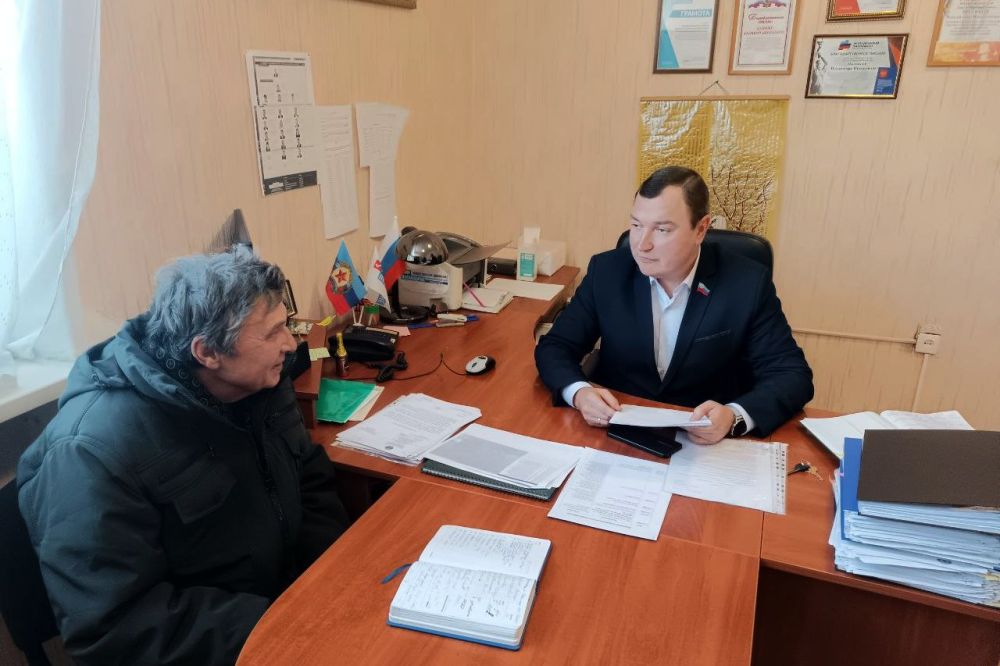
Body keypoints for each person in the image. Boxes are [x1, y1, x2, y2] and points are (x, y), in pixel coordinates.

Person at [17, 247, 350, 665]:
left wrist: (330, 581)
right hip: (230, 645)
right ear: (207, 352)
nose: (290, 344)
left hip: (295, 610)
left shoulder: (256, 383)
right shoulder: (90, 451)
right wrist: (281, 627)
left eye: (286, 325)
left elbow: (307, 473)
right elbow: (115, 628)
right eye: (271, 333)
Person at [535, 166, 813, 443]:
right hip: (618, 434)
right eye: (636, 225)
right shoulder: (607, 272)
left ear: (701, 229)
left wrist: (733, 416)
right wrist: (579, 392)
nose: (642, 245)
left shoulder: (746, 283)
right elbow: (556, 346)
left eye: (662, 229)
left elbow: (792, 375)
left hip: (703, 442)